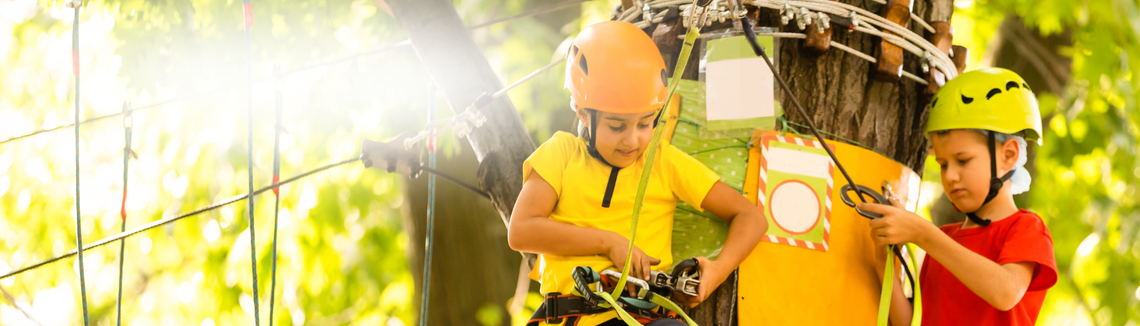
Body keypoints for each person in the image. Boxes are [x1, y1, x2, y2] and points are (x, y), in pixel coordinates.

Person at [507, 21, 767, 326]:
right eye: (616, 126)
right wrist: (609, 243)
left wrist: (717, 271)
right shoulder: (561, 154)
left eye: (645, 124)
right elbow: (521, 230)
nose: (632, 140)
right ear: (582, 113)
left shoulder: (662, 161)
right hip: (573, 317)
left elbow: (751, 218)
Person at [859, 68, 1058, 325]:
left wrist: (923, 234)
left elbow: (1006, 292)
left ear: (1009, 156)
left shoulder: (1026, 229)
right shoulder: (942, 241)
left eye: (962, 160)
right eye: (943, 164)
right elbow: (912, 321)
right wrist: (882, 259)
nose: (950, 176)